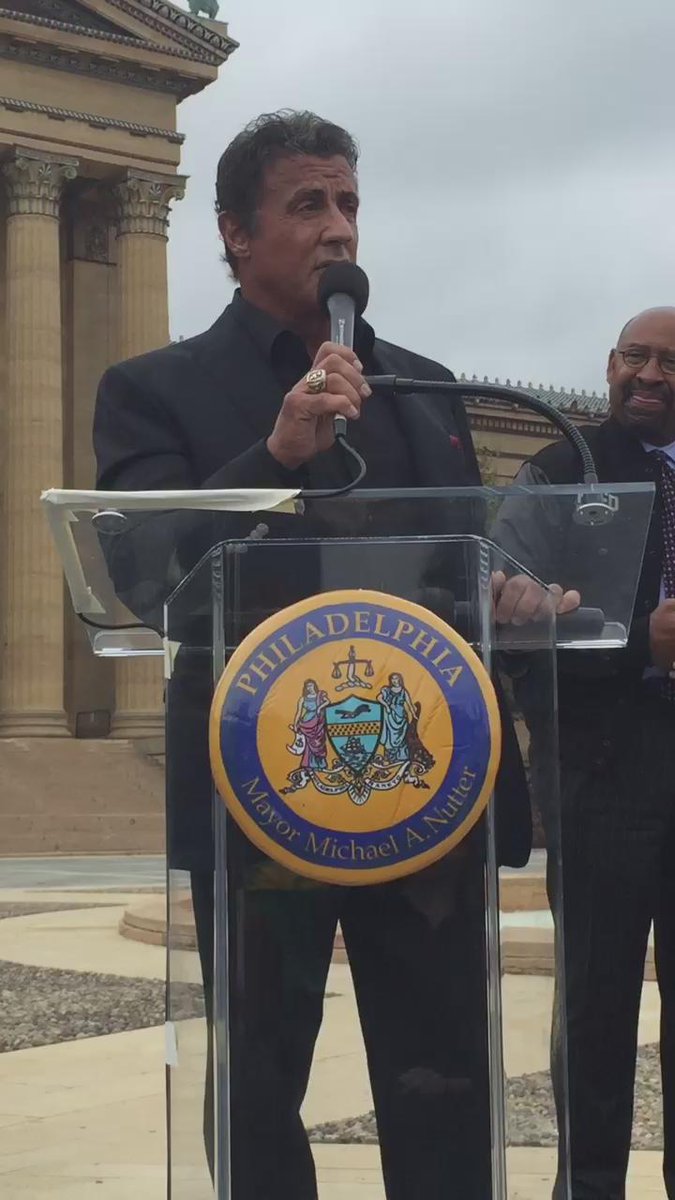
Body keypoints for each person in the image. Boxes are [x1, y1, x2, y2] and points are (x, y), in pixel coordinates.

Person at [93, 110, 577, 1199]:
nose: (337, 230)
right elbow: (145, 576)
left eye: (349, 203)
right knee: (261, 1070)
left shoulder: (423, 384)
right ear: (233, 232)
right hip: (256, 782)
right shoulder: (153, 389)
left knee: (442, 1060)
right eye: (307, 205)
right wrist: (274, 454)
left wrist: (508, 589)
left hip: (424, 782)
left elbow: (462, 555)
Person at [500, 307, 675, 1199]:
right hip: (604, 766)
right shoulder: (562, 468)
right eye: (632, 357)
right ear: (606, 366)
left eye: (668, 362)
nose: (647, 374)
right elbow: (502, 602)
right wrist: (638, 642)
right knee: (595, 1008)